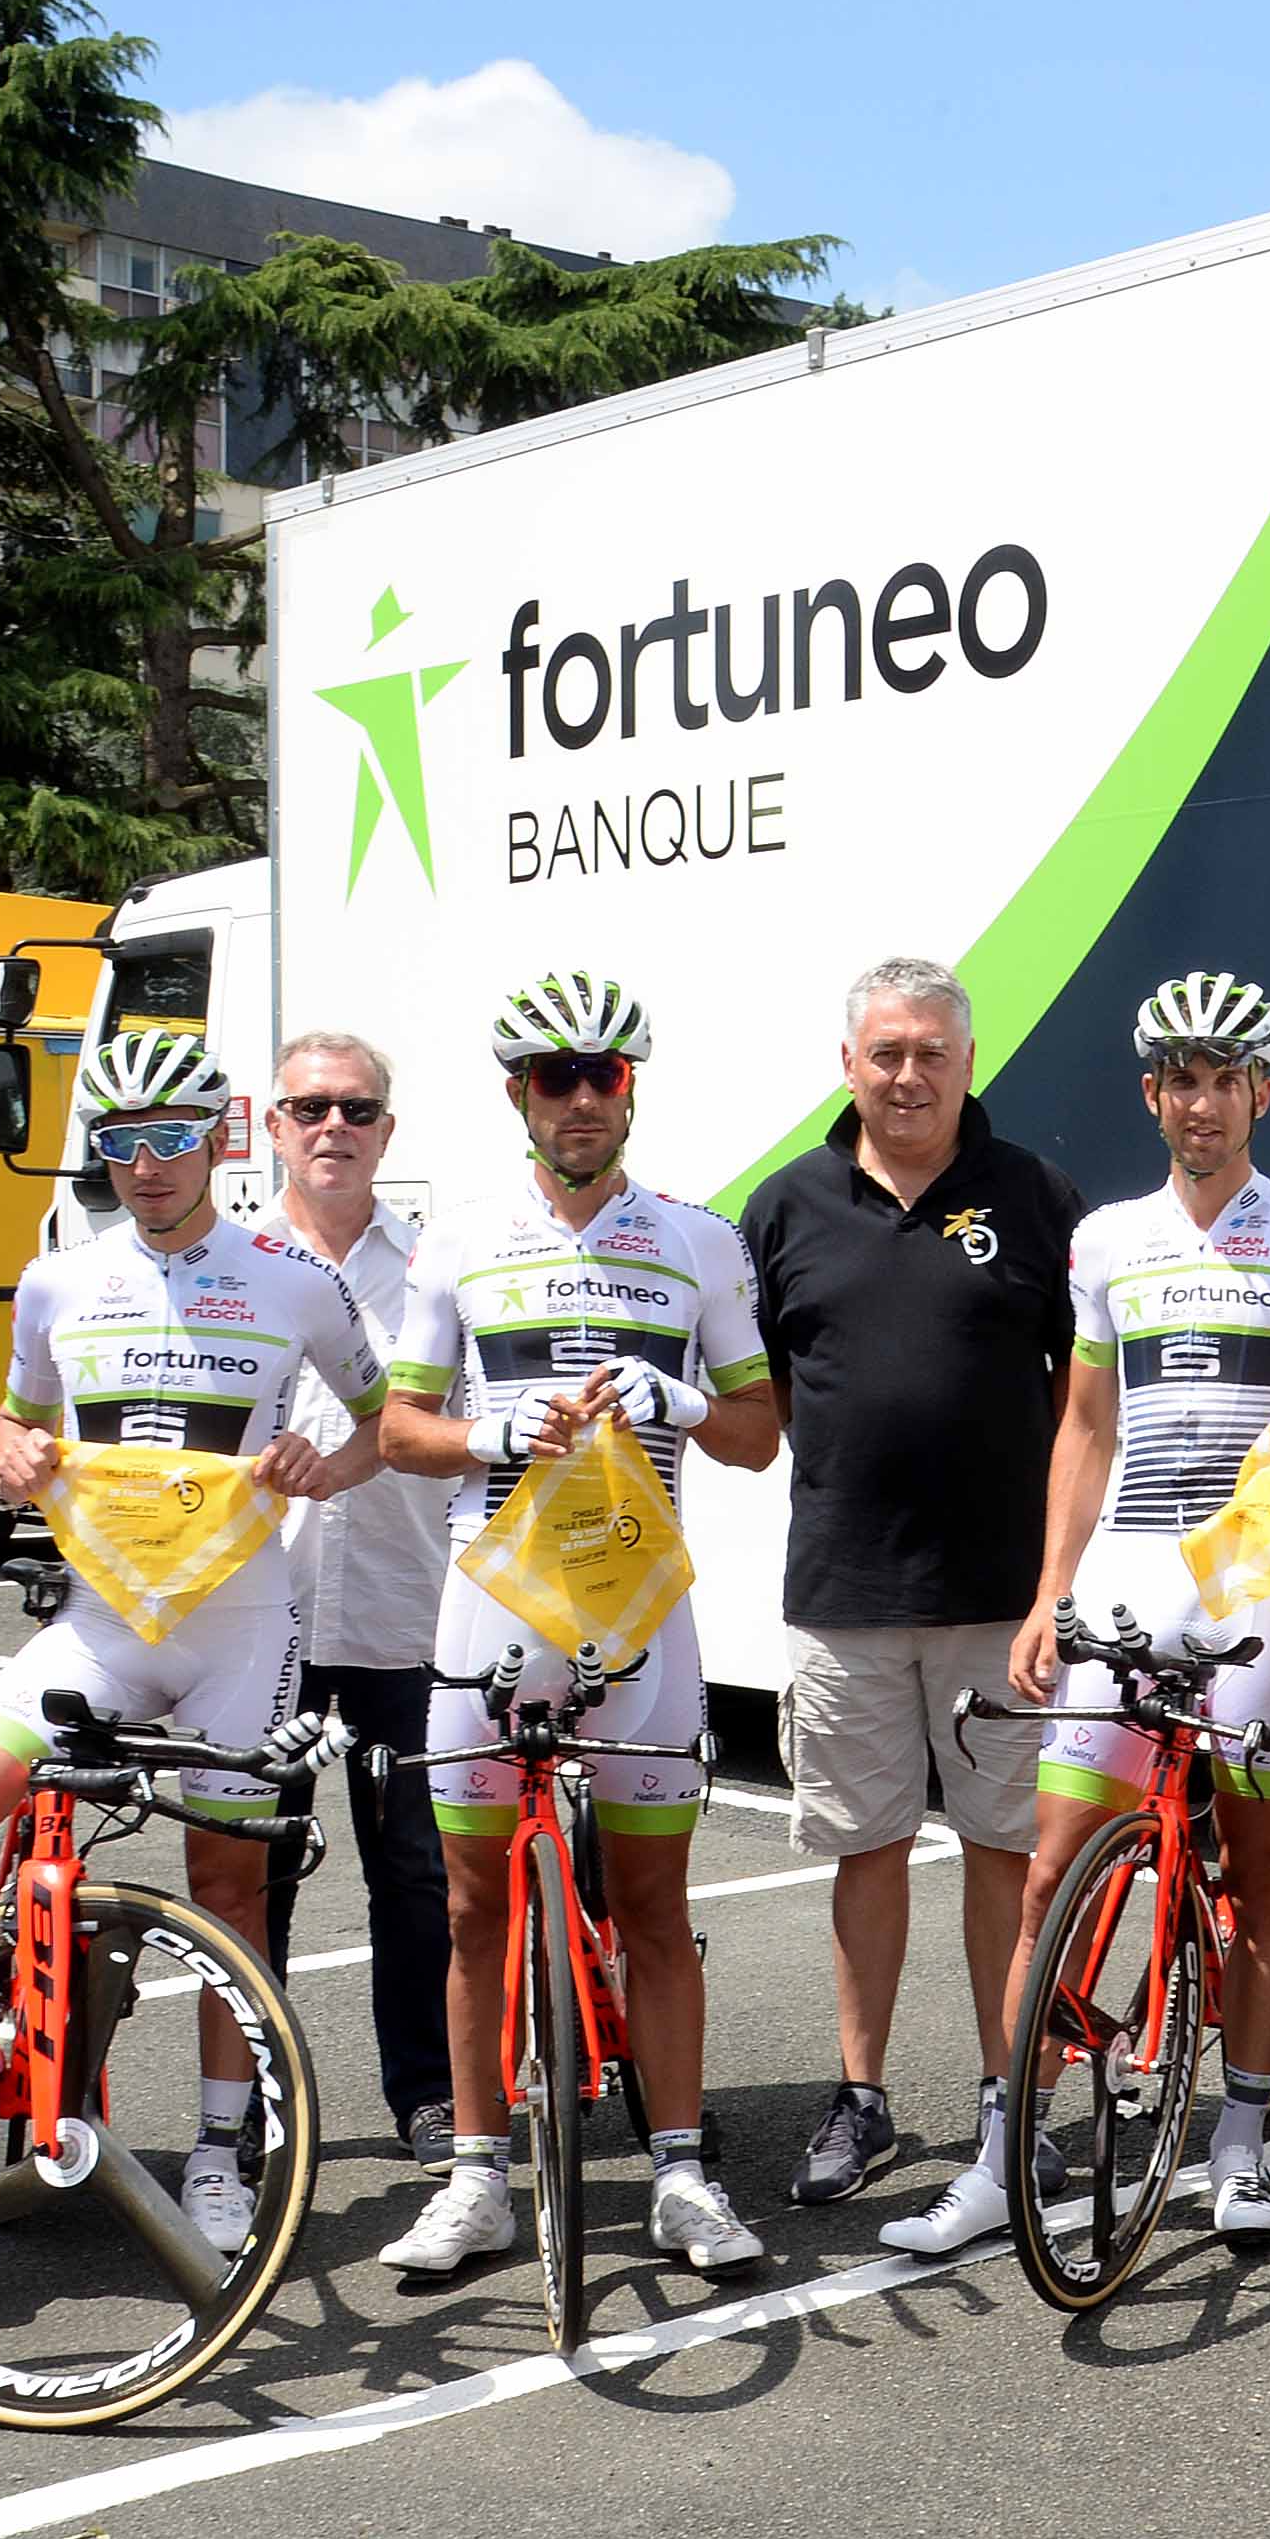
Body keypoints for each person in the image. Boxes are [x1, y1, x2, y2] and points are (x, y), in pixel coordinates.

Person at [886, 972, 1270, 2256]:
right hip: (1126, 1567)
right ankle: (1002, 2153)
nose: (1200, 1103)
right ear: (1150, 1094)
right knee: (1053, 1868)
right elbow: (1087, 1427)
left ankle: (1239, 2141)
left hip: (1258, 1575)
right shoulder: (1107, 1236)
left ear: (1261, 1092)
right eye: (1179, 1080)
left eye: (1224, 1080)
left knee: (1261, 1870)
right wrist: (1049, 1593)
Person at [0, 1024, 386, 2261]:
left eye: (171, 1137)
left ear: (219, 1137)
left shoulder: (293, 1279)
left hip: (239, 1627)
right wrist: (11, 1453)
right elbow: (11, 1421)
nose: (147, 1164)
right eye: (121, 1140)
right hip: (102, 1625)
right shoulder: (57, 1279)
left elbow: (386, 1420)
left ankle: (219, 2149)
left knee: (229, 1884)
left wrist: (322, 1464)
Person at [371, 973, 786, 2282]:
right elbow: (400, 1429)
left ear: (631, 1088)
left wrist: (682, 1401)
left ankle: (680, 2174)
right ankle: (476, 2180)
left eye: (604, 1074)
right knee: (475, 1907)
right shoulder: (460, 1241)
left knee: (654, 1906)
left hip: (640, 1611)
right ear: (519, 1095)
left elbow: (761, 1434)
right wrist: (489, 1432)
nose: (582, 1099)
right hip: (493, 1605)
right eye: (556, 1077)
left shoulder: (701, 1242)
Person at [737, 958, 1085, 2206]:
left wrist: (1055, 1574)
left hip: (1001, 1599)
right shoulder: (784, 1207)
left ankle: (1007, 2098)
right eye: (885, 1052)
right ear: (848, 1065)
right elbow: (771, 1389)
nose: (908, 1075)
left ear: (968, 1062)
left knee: (1005, 1854)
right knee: (864, 1849)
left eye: (932, 1051)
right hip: (846, 1591)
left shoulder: (1035, 1195)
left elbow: (1078, 1393)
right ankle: (861, 2097)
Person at [259, 1028, 465, 2163]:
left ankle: (427, 2094)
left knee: (416, 1876)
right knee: (256, 1867)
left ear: (388, 1130)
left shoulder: (435, 1266)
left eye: (356, 1109)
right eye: (310, 1107)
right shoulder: (234, 1263)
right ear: (273, 1125)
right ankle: (253, 2102)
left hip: (405, 1612)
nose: (332, 1126)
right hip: (263, 1622)